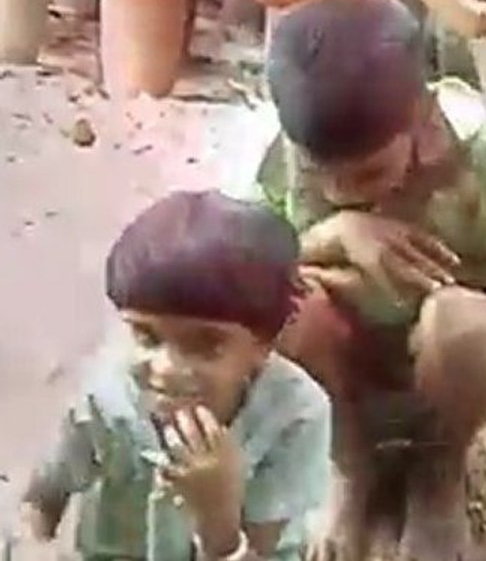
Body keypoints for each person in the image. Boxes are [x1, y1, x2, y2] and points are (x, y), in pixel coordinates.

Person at [252, 0, 486, 561]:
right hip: (345, 356)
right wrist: (335, 234)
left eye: (368, 172)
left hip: (448, 348)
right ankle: (351, 464)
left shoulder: (479, 150)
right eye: (324, 178)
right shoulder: (292, 151)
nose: (342, 192)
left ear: (422, 118)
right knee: (278, 309)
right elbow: (249, 264)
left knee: (464, 325)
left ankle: (438, 471)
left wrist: (428, 271)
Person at [18, 191, 331, 560]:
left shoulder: (295, 415)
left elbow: (259, 550)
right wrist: (30, 546)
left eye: (206, 344)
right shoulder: (106, 396)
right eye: (145, 336)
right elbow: (40, 501)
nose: (166, 368)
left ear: (264, 343)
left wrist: (218, 512)